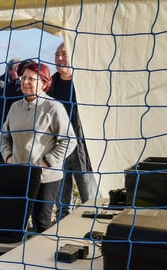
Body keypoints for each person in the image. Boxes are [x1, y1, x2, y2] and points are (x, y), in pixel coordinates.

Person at [0, 61, 77, 232]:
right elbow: (4, 137)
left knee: (41, 222)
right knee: (15, 222)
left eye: (31, 79)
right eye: (23, 78)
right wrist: (9, 157)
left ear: (44, 83)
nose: (25, 82)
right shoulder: (15, 107)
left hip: (45, 177)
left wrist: (47, 162)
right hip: (20, 174)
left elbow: (69, 140)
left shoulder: (53, 107)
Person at [48, 43, 98, 218]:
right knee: (62, 204)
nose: (59, 58)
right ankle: (63, 231)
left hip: (83, 149)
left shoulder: (85, 84)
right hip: (58, 148)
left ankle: (93, 229)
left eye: (64, 54)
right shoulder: (49, 85)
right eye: (57, 55)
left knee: (91, 201)